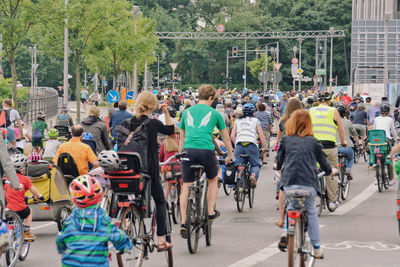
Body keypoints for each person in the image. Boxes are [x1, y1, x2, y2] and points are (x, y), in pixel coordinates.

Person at [120, 91, 175, 251]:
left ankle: (128, 220)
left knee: (131, 196)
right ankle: (161, 240)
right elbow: (170, 130)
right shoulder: (153, 123)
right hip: (148, 168)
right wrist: (165, 111)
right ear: (152, 106)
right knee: (160, 201)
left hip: (127, 169)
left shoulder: (126, 123)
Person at [276, 110, 335, 259]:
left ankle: (286, 230)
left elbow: (278, 162)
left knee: (292, 206)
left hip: (289, 183)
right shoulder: (313, 141)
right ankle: (316, 247)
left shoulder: (286, 140)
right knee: (311, 211)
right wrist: (330, 171)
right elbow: (323, 163)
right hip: (308, 183)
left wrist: (278, 166)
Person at [179, 85, 234, 238]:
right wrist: (230, 155)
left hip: (188, 150)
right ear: (210, 98)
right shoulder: (215, 114)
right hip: (206, 150)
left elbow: (182, 137)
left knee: (186, 186)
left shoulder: (186, 112)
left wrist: (180, 154)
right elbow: (226, 138)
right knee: (212, 180)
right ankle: (210, 211)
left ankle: (183, 222)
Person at [56, 175, 132, 266]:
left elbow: (61, 239)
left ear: (75, 199)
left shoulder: (70, 221)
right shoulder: (102, 220)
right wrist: (125, 246)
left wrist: (62, 248)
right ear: (100, 195)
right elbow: (118, 236)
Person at [310, 91, 346, 212]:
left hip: (314, 146)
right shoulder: (333, 111)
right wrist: (343, 142)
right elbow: (340, 129)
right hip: (329, 146)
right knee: (332, 171)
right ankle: (332, 201)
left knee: (312, 168)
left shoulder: (311, 110)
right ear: (329, 101)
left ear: (318, 101)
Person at [5, 154, 42, 240]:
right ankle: (26, 232)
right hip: (20, 208)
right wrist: (39, 196)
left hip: (7, 208)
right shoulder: (25, 179)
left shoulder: (6, 178)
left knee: (6, 222)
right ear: (23, 168)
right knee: (29, 212)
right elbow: (34, 190)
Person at [231, 103, 268, 187]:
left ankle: (238, 181)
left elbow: (232, 136)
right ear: (253, 112)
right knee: (255, 164)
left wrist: (236, 144)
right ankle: (253, 175)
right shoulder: (256, 120)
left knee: (238, 164)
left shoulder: (237, 121)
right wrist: (265, 147)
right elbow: (261, 135)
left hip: (239, 144)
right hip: (251, 144)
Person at [336, 104, 360, 179]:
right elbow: (354, 133)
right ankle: (348, 169)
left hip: (335, 147)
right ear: (344, 113)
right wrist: (358, 142)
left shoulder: (331, 122)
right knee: (351, 158)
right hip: (347, 146)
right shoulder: (348, 122)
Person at [159, 135, 180, 200]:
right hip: (177, 167)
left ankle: (165, 201)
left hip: (167, 168)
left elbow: (161, 157)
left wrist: (162, 161)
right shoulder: (178, 142)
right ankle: (179, 198)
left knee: (167, 184)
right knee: (179, 180)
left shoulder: (164, 144)